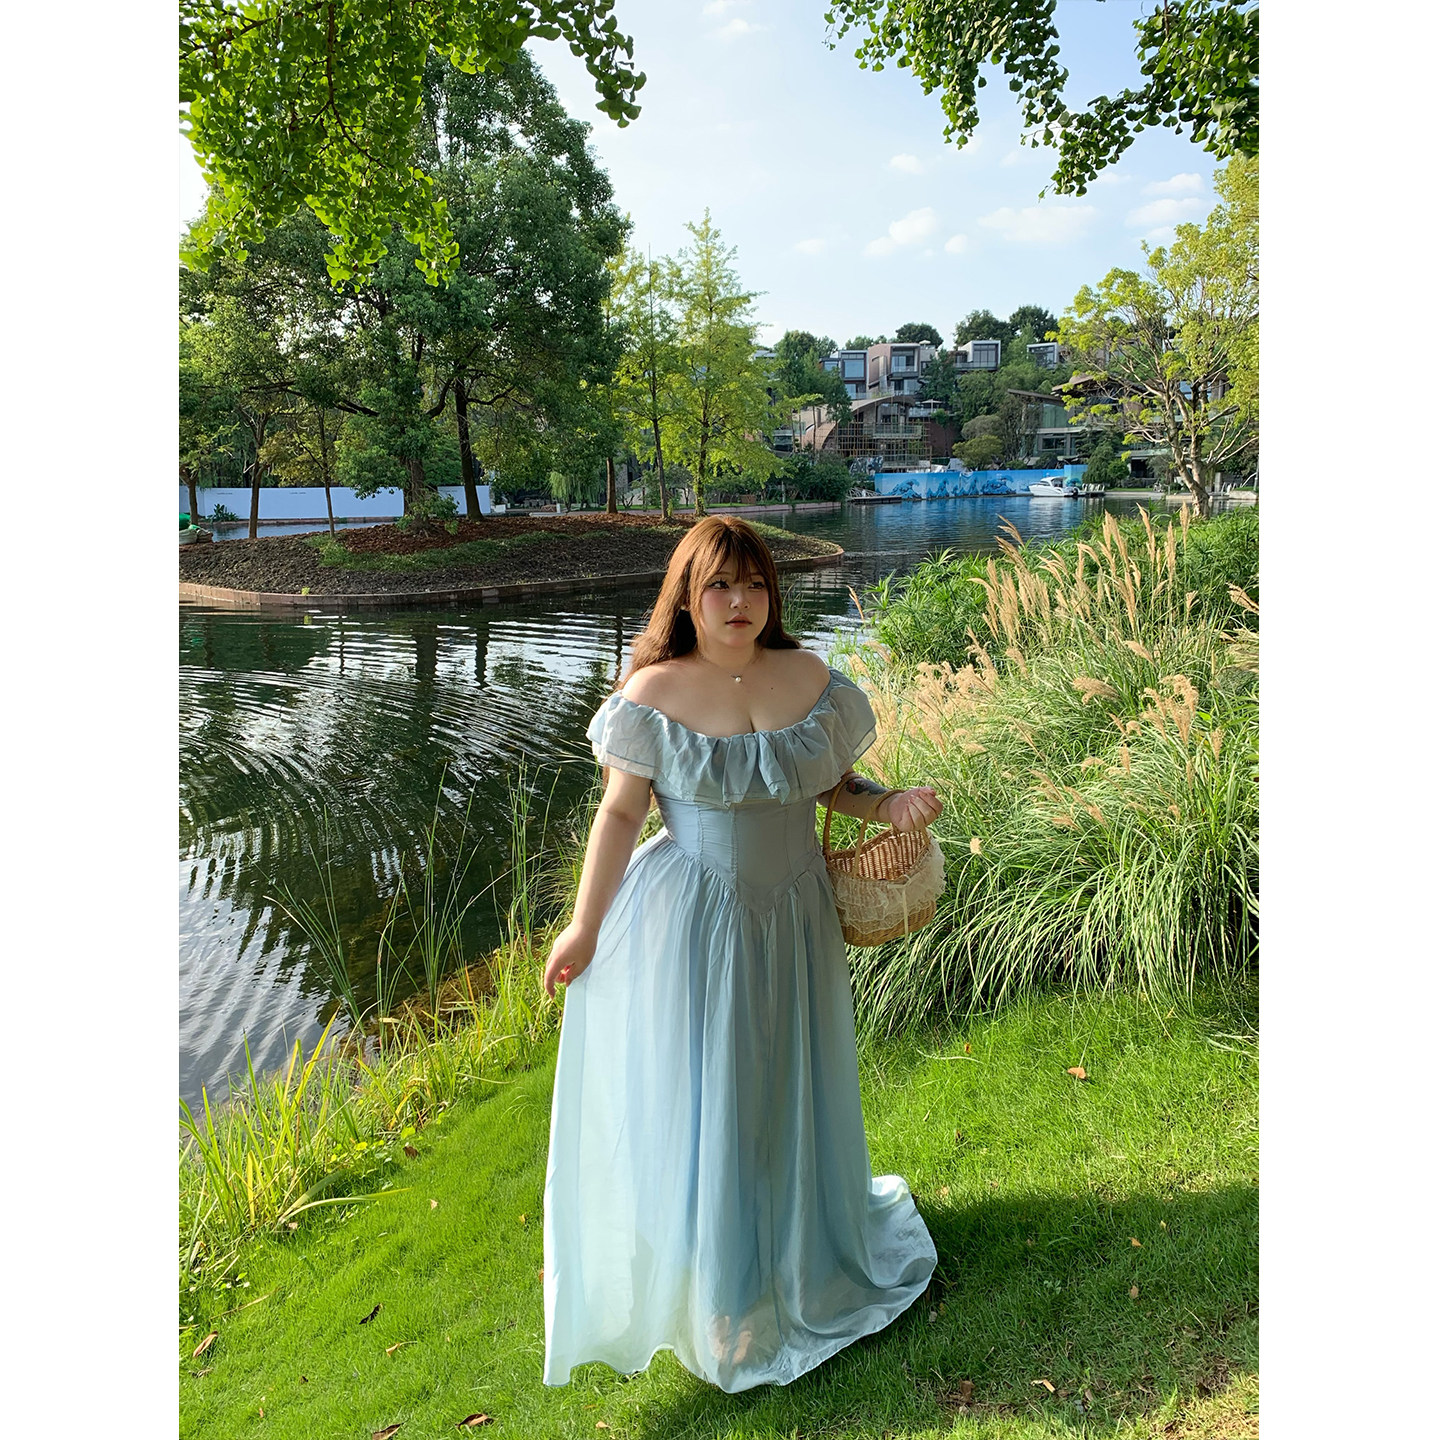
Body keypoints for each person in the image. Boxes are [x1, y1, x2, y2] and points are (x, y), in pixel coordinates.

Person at [541, 515, 942, 1394]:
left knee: (793, 1078)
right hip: (701, 920)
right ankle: (728, 1295)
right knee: (719, 1094)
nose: (739, 601)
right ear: (687, 596)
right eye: (719, 584)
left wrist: (889, 804)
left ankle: (808, 1257)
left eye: (755, 583)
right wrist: (584, 926)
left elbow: (830, 784)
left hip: (797, 913)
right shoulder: (654, 692)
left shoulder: (807, 677)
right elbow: (620, 814)